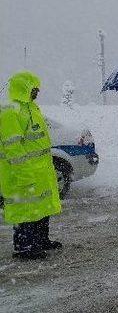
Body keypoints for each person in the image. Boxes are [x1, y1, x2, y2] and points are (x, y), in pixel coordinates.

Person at [0, 71, 61, 259]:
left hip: (40, 171)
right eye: (34, 89)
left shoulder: (32, 108)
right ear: (24, 88)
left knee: (41, 206)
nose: (37, 92)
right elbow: (13, 146)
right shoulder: (11, 111)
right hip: (23, 171)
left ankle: (41, 240)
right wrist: (22, 172)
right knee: (24, 209)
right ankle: (24, 247)